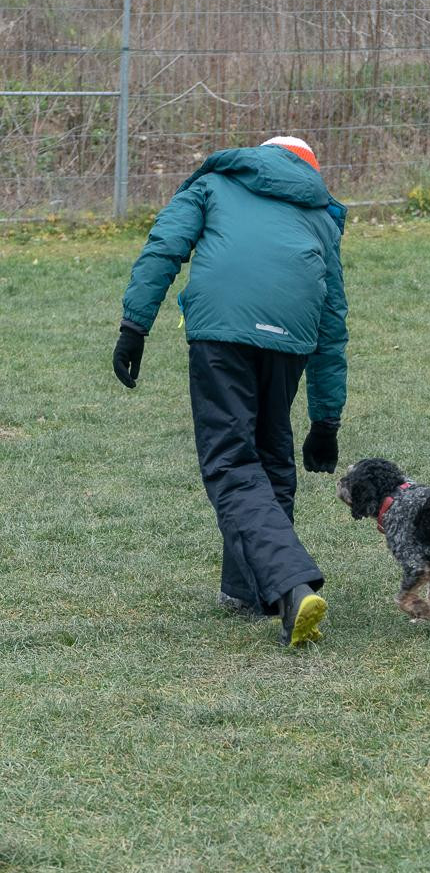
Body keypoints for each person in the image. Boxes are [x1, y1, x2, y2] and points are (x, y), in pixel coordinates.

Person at [112, 136, 348, 647]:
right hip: (291, 339)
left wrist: (135, 325)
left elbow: (164, 246)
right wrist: (326, 419)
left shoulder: (214, 184)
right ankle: (248, 592)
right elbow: (332, 324)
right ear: (309, 169)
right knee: (271, 457)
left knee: (231, 462)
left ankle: (290, 584)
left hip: (221, 332)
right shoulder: (320, 217)